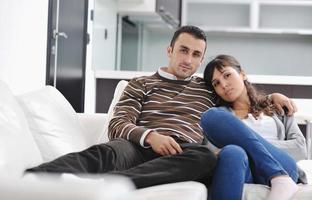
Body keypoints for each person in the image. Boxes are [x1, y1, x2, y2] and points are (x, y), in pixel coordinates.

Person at [26, 26, 296, 191]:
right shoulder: (141, 83)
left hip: (183, 153)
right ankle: (34, 179)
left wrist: (272, 96)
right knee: (107, 151)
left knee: (207, 158)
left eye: (195, 55)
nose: (188, 59)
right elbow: (118, 123)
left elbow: (236, 101)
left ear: (201, 59)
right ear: (170, 50)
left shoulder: (206, 89)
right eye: (183, 50)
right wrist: (150, 136)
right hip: (138, 146)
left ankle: (110, 185)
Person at [200, 54, 307, 200]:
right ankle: (278, 177)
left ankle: (279, 176)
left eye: (227, 75)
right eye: (216, 83)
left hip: (284, 166)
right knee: (228, 144)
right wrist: (248, 145)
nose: (223, 85)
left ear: (242, 74)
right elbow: (214, 153)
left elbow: (300, 149)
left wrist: (247, 142)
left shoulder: (277, 107)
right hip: (244, 171)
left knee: (236, 146)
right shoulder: (223, 119)